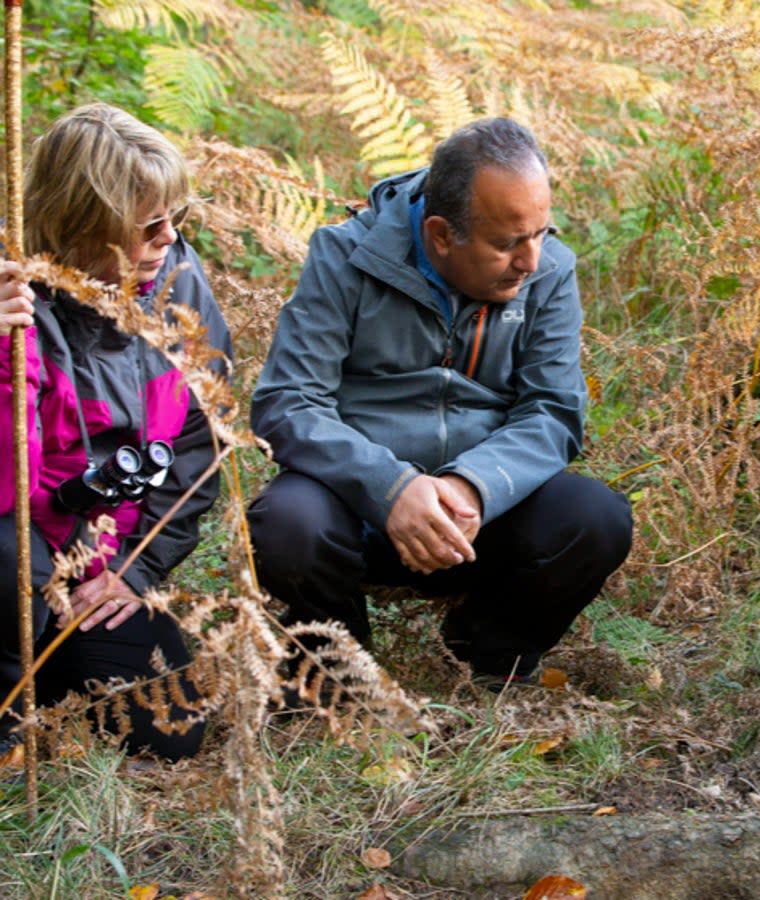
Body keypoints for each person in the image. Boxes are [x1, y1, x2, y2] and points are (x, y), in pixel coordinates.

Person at [248, 117, 632, 688]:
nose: (531, 261)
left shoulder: (547, 271)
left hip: (479, 519)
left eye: (541, 234)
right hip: (358, 509)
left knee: (595, 520)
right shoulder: (344, 258)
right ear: (440, 235)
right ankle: (337, 667)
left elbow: (552, 412)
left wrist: (470, 486)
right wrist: (390, 488)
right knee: (286, 525)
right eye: (507, 243)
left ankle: (485, 653)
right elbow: (288, 401)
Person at [0, 103, 232, 763]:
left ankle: (44, 670)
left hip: (99, 565)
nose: (168, 238)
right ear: (79, 227)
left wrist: (134, 569)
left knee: (171, 725)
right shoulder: (9, 291)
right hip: (16, 558)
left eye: (175, 219)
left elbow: (197, 446)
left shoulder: (176, 284)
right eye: (148, 225)